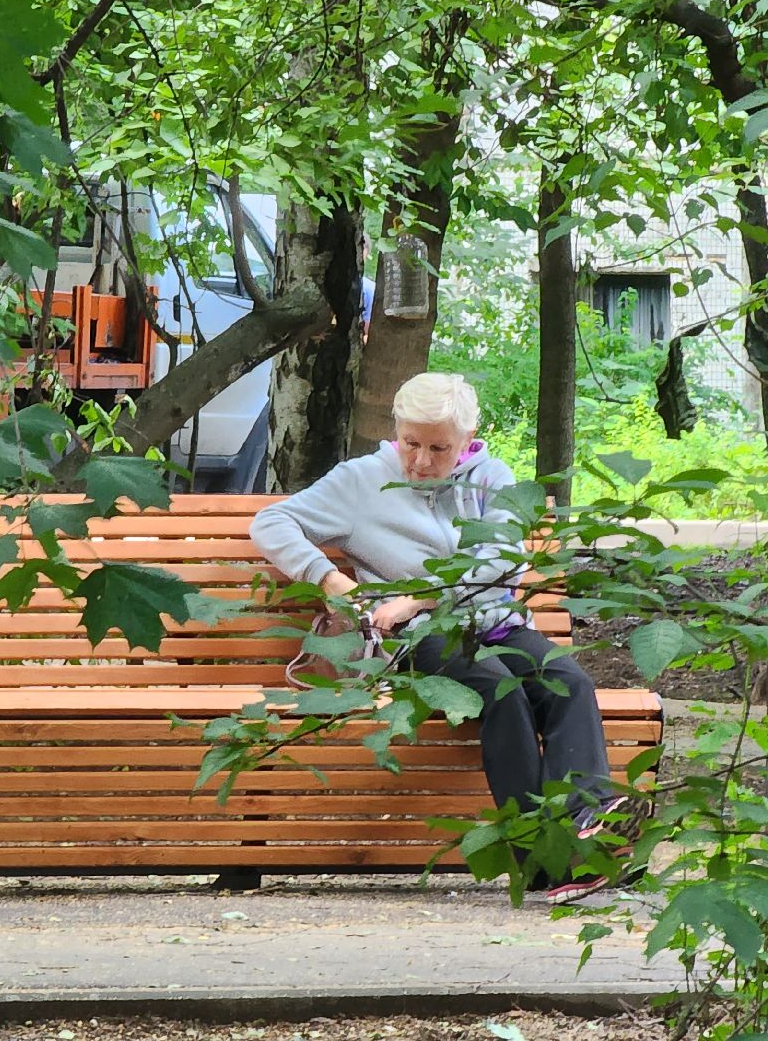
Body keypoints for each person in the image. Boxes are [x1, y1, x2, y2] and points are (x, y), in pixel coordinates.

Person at [249, 372, 646, 902]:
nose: (420, 461)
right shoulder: (361, 480)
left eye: (439, 448)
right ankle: (544, 862)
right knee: (498, 690)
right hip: (413, 639)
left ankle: (589, 827)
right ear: (397, 430)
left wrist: (420, 595)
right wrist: (334, 580)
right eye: (411, 443)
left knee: (567, 679)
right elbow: (271, 523)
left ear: (468, 438)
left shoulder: (492, 476)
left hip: (491, 622)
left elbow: (502, 558)